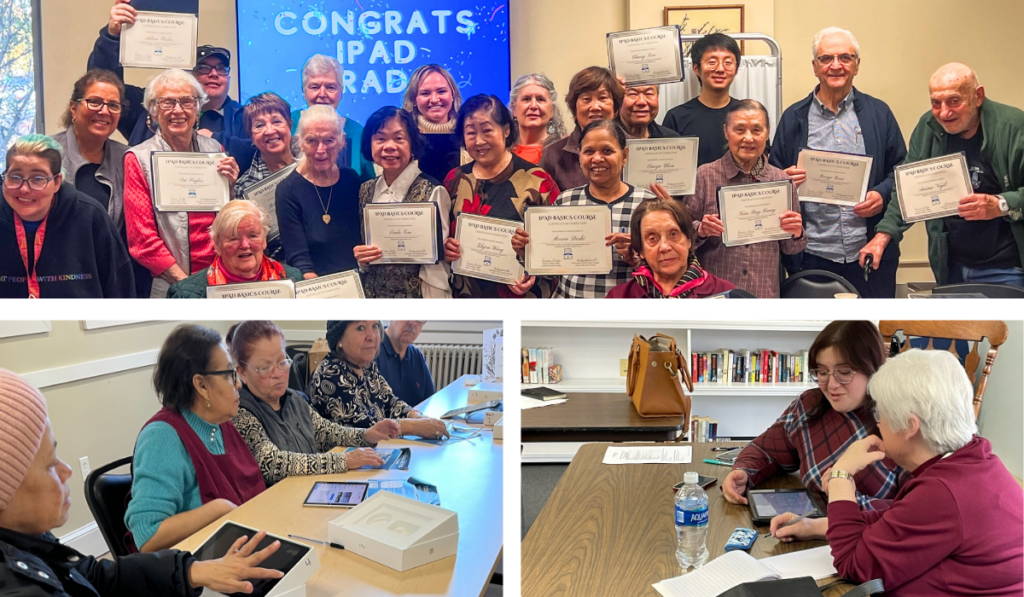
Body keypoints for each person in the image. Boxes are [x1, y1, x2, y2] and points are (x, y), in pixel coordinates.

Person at [0, 368, 287, 597]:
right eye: (51, 464)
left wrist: (192, 571)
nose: (66, 471)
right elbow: (147, 536)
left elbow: (94, 574)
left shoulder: (31, 543)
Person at [772, 350, 1024, 597]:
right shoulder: (977, 459)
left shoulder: (943, 493)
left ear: (909, 425)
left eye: (879, 414)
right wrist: (816, 526)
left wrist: (840, 477)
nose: (877, 423)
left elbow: (853, 565)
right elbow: (898, 522)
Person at [770, 28, 907, 299]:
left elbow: (901, 171)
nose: (836, 65)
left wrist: (881, 193)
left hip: (868, 253)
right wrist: (783, 178)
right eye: (826, 58)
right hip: (811, 255)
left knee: (871, 335)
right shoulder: (793, 117)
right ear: (815, 66)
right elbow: (771, 176)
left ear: (856, 65)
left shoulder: (879, 113)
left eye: (845, 57)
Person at [861, 63, 1024, 287]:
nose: (944, 112)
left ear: (978, 96)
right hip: (951, 267)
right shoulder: (928, 127)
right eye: (936, 103)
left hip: (1008, 269)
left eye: (954, 101)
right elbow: (907, 191)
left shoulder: (1013, 127)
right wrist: (882, 236)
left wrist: (1000, 204)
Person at [722, 321, 903, 511]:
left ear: (872, 368)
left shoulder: (899, 421)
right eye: (822, 372)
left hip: (865, 537)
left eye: (844, 372)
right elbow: (765, 450)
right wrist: (743, 472)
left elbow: (916, 511)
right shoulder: (810, 405)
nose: (831, 384)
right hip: (806, 528)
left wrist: (841, 493)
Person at [126, 325, 266, 553]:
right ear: (201, 385)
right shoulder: (162, 437)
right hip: (200, 570)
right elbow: (147, 534)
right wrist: (217, 509)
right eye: (230, 375)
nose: (238, 384)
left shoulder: (222, 424)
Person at [228, 321, 401, 486]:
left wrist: (366, 435)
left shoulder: (294, 399)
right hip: (277, 503)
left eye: (282, 363)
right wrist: (343, 460)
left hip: (307, 489)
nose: (278, 373)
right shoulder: (240, 413)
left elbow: (326, 432)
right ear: (242, 372)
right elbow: (272, 464)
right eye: (265, 367)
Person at [123, 69, 240, 299]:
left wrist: (232, 187)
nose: (178, 110)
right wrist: (186, 285)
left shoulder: (216, 150)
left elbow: (227, 221)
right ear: (154, 111)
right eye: (167, 102)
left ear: (198, 108)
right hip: (171, 284)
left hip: (221, 279)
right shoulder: (138, 158)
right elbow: (142, 241)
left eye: (187, 101)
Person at [88, 1, 250, 156]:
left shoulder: (243, 117)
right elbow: (103, 83)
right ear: (188, 77)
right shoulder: (146, 105)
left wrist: (216, 140)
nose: (213, 74)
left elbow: (257, 153)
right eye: (203, 68)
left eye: (221, 69)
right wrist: (112, 36)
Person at [684, 100, 806, 298]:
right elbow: (683, 237)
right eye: (739, 130)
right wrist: (701, 229)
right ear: (726, 132)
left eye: (756, 130)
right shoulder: (705, 176)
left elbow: (792, 248)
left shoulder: (781, 181)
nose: (748, 138)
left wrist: (796, 232)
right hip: (715, 294)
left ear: (767, 134)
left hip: (763, 293)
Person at [443, 94, 560, 298]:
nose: (479, 141)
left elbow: (558, 244)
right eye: (471, 133)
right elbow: (443, 234)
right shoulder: (454, 179)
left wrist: (533, 270)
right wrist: (445, 249)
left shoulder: (538, 181)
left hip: (519, 299)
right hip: (466, 299)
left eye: (487, 130)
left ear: (506, 130)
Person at [0, 135, 134, 298]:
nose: (24, 189)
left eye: (38, 179)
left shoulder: (91, 217)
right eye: (15, 177)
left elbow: (120, 289)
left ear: (57, 182)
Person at [544, 119, 656, 299]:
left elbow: (665, 269)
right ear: (580, 157)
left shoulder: (648, 204)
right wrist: (528, 252)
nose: (597, 158)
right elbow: (550, 268)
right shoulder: (565, 201)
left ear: (625, 156)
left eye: (607, 151)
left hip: (625, 310)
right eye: (589, 151)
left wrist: (637, 255)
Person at [352, 106, 452, 298]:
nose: (389, 146)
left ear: (413, 144)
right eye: (380, 138)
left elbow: (436, 265)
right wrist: (361, 258)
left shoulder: (433, 191)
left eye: (399, 138)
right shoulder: (365, 190)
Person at [308, 321, 450, 439]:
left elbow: (389, 400)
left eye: (375, 326)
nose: (372, 336)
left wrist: (415, 415)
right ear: (339, 339)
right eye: (360, 328)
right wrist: (413, 426)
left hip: (374, 451)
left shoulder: (366, 365)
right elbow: (362, 426)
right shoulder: (330, 374)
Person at [276, 105, 362, 278]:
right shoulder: (287, 191)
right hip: (316, 287)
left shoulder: (351, 180)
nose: (321, 149)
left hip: (357, 281)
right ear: (299, 142)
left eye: (329, 140)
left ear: (342, 140)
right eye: (312, 140)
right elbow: (299, 259)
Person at [167, 201, 304, 298]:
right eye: (233, 238)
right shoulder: (185, 295)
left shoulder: (295, 280)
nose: (245, 245)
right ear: (218, 245)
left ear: (264, 240)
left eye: (253, 235)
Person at [607, 198, 735, 298]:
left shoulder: (726, 295)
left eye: (673, 234)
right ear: (641, 250)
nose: (664, 247)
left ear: (689, 240)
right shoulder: (618, 298)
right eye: (652, 238)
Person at [289, 54, 375, 182]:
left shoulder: (358, 132)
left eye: (330, 87)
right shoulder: (287, 125)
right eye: (314, 87)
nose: (322, 94)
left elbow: (369, 185)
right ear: (303, 91)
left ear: (341, 91)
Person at [234, 92, 298, 261]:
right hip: (276, 271)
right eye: (259, 125)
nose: (270, 130)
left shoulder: (313, 167)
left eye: (277, 121)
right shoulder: (244, 188)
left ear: (290, 125)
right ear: (251, 137)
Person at [662, 33, 743, 166]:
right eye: (712, 62)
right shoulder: (676, 117)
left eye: (728, 62)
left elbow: (761, 164)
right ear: (696, 68)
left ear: (736, 69)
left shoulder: (747, 114)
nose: (720, 69)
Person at [540, 66, 624, 191]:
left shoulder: (634, 149)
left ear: (616, 108)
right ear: (575, 107)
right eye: (586, 99)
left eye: (602, 98)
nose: (595, 106)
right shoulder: (553, 155)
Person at [402, 64, 469, 183]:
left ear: (452, 95)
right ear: (414, 100)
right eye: (425, 93)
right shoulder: (402, 136)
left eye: (441, 91)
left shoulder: (469, 132)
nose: (434, 99)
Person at [374, 321, 436, 408]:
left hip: (418, 419)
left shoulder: (417, 356)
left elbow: (431, 403)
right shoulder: (372, 351)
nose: (412, 322)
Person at [508, 73, 566, 164]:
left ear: (552, 110)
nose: (533, 106)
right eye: (526, 99)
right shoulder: (501, 151)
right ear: (514, 108)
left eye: (540, 99)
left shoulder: (563, 150)